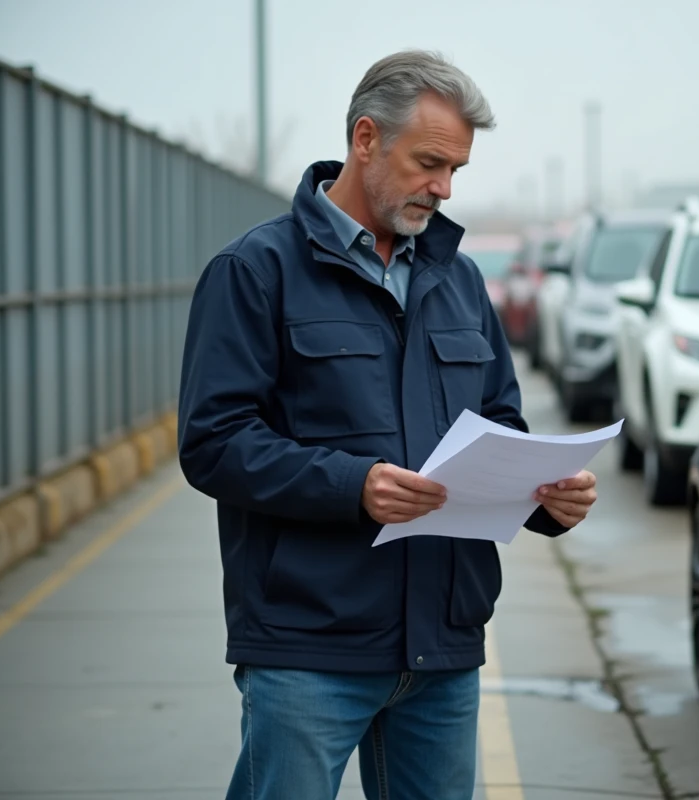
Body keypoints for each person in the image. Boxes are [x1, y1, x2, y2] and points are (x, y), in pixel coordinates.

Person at [176, 50, 599, 799]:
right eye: (429, 162)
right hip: (308, 650)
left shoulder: (459, 280)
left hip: (443, 650)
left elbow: (499, 421)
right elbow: (213, 443)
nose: (442, 188)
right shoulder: (254, 272)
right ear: (365, 139)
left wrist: (547, 497)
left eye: (455, 171)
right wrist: (354, 485)